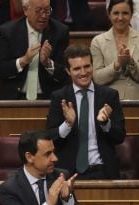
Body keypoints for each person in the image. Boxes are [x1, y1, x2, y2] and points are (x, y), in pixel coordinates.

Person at [46, 44, 126, 179]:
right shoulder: (60, 98)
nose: (83, 72)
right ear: (67, 71)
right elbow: (50, 138)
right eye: (77, 68)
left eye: (87, 66)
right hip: (68, 173)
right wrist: (68, 124)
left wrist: (105, 123)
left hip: (103, 171)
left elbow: (119, 136)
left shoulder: (109, 95)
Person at [0, 0, 69, 100]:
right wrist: (23, 61)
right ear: (25, 10)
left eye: (47, 10)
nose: (44, 16)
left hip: (48, 99)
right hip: (14, 99)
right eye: (38, 11)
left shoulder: (59, 32)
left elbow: (65, 74)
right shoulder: (9, 32)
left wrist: (47, 63)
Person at [90, 0, 139, 100]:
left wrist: (131, 62)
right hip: (108, 99)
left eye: (125, 13)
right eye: (116, 13)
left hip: (138, 97)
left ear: (131, 15)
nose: (120, 18)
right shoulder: (98, 41)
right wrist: (117, 64)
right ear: (109, 14)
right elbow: (97, 78)